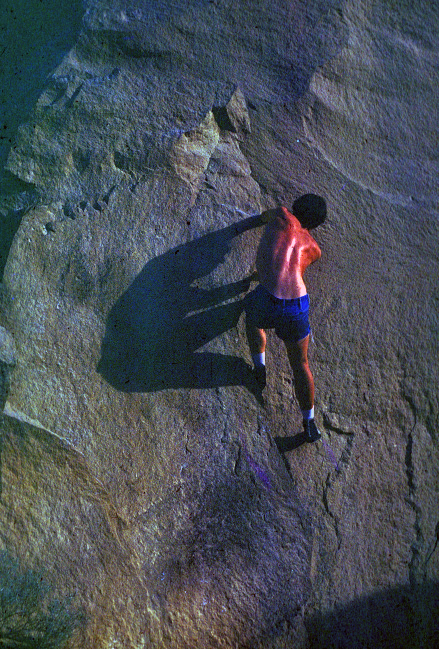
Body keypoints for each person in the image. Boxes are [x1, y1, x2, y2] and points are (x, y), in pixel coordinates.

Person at [244, 194, 326, 443]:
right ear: (315, 224)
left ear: (296, 206)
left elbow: (262, 219)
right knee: (300, 363)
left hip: (269, 298)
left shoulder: (280, 215)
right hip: (297, 306)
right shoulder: (314, 249)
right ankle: (309, 422)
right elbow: (292, 268)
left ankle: (259, 369)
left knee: (251, 317)